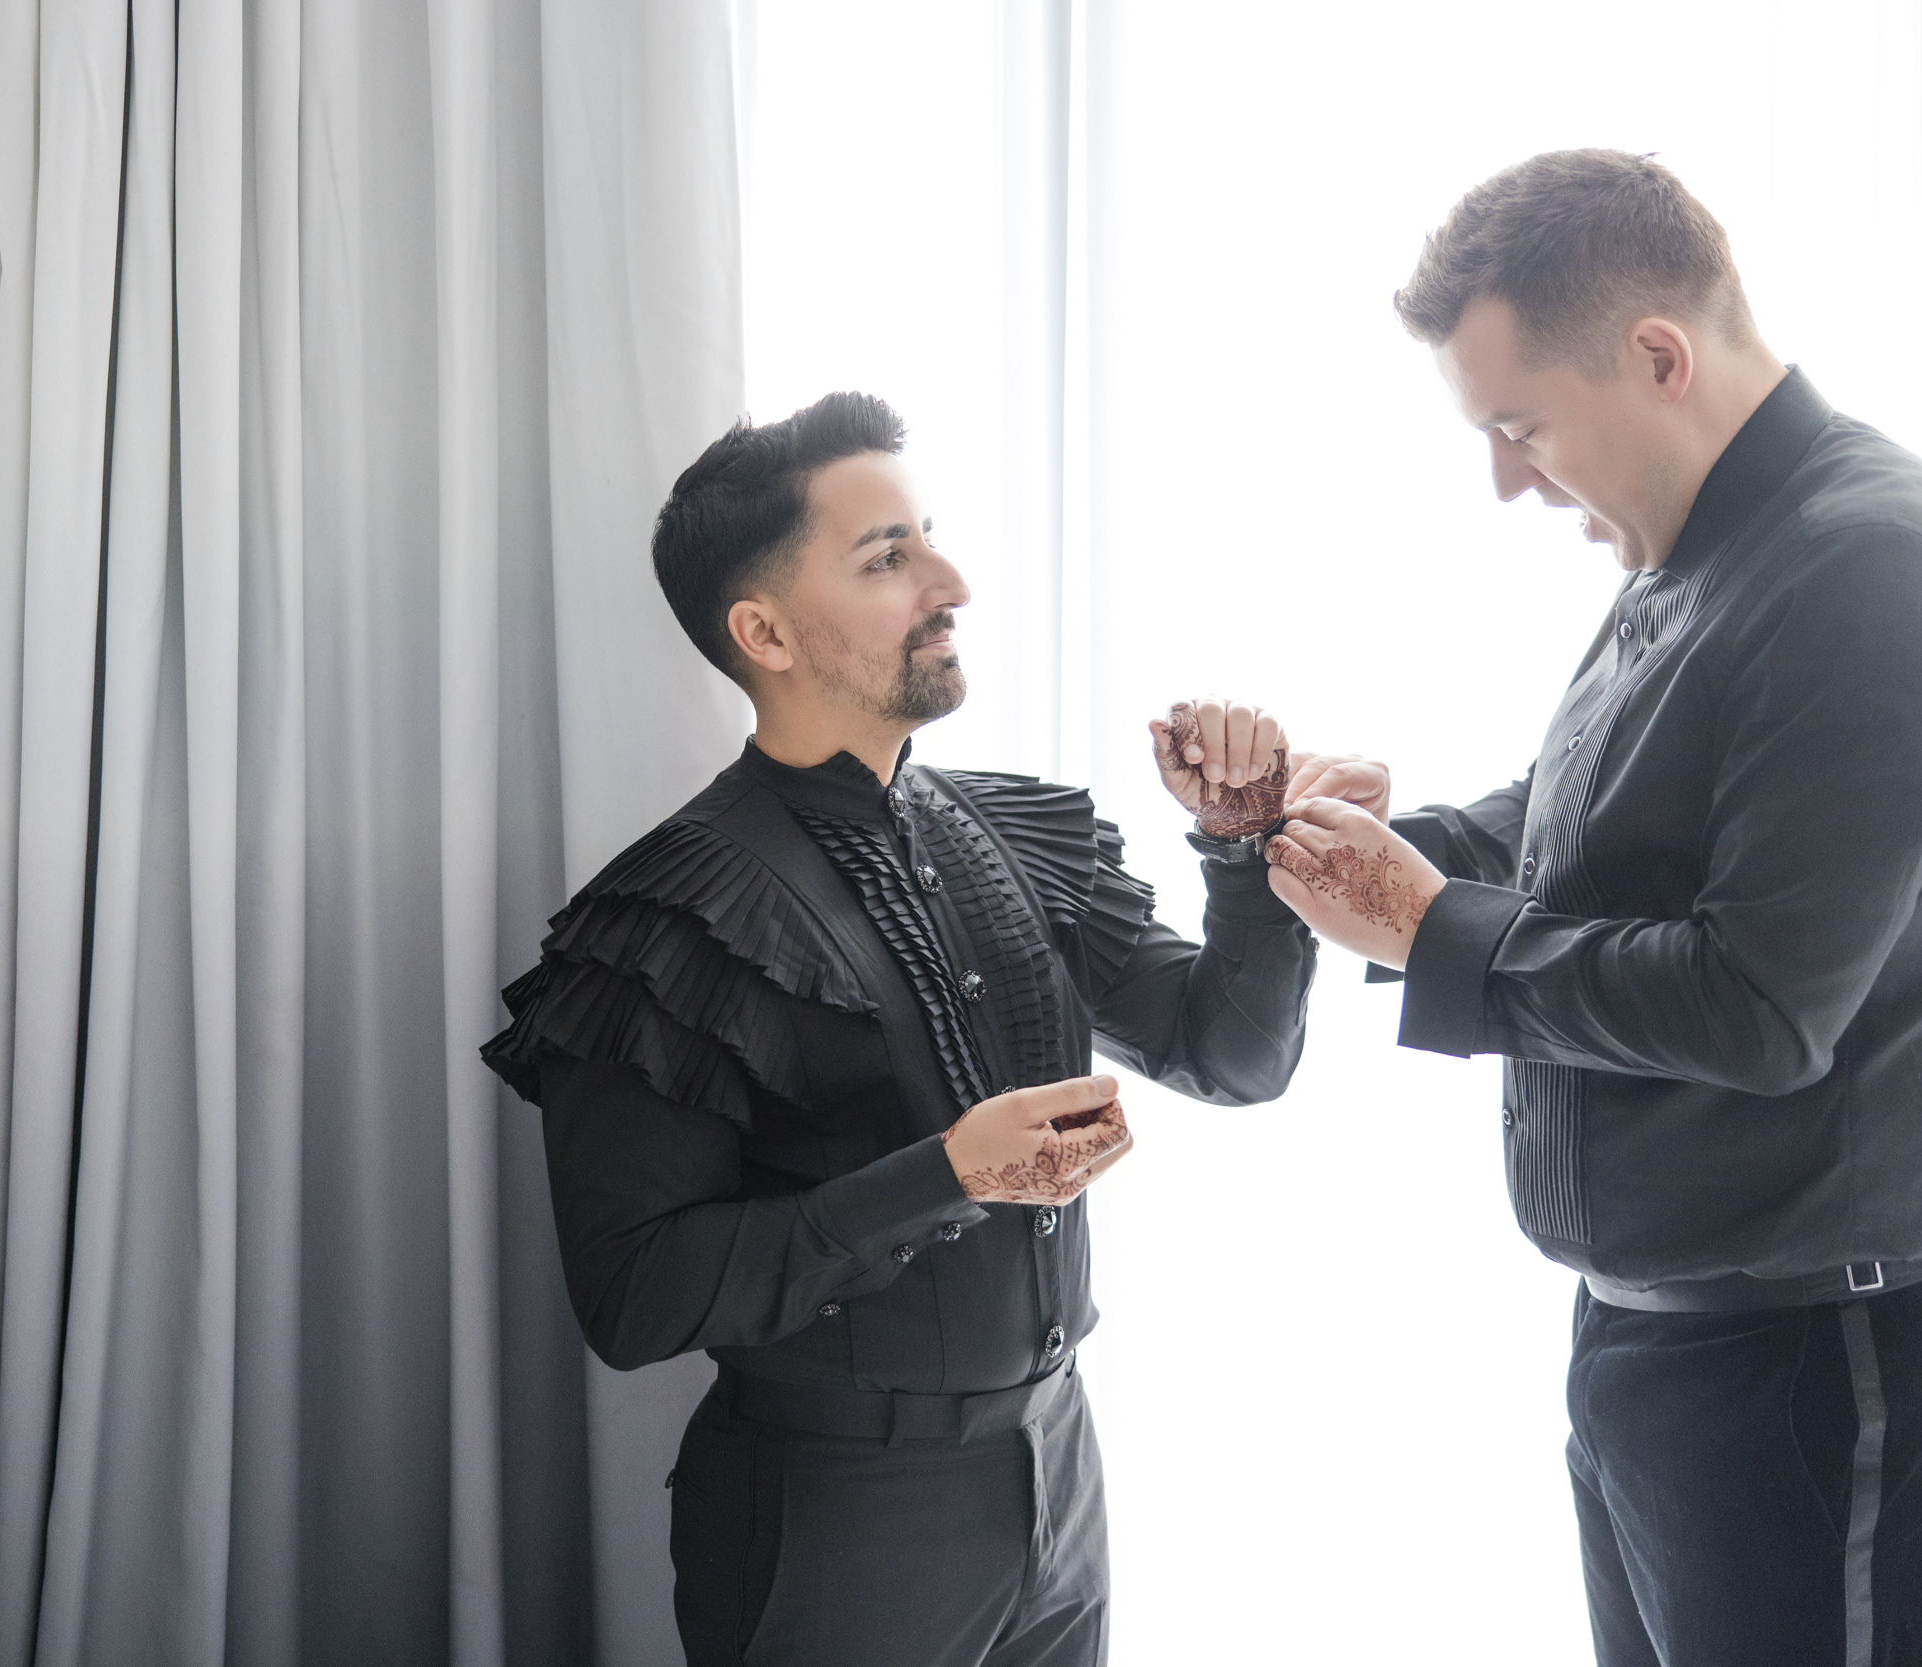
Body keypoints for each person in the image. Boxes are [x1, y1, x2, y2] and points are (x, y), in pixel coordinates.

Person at [1236, 151, 1922, 1663]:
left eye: (1521, 426)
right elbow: (1599, 832)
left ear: (1659, 356)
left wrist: (1426, 925)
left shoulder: (1871, 570)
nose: (1507, 479)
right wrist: (1371, 851)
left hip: (1822, 1360)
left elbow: (1760, 1003)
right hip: (1678, 1344)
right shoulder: (1713, 547)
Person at [483, 393, 1317, 1667]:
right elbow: (636, 1298)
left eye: (928, 536)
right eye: (887, 557)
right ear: (763, 631)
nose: (951, 583)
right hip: (838, 1522)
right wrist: (948, 1174)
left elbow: (1233, 1056)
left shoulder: (1019, 835)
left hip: (1059, 1469)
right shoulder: (662, 925)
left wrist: (1243, 844)